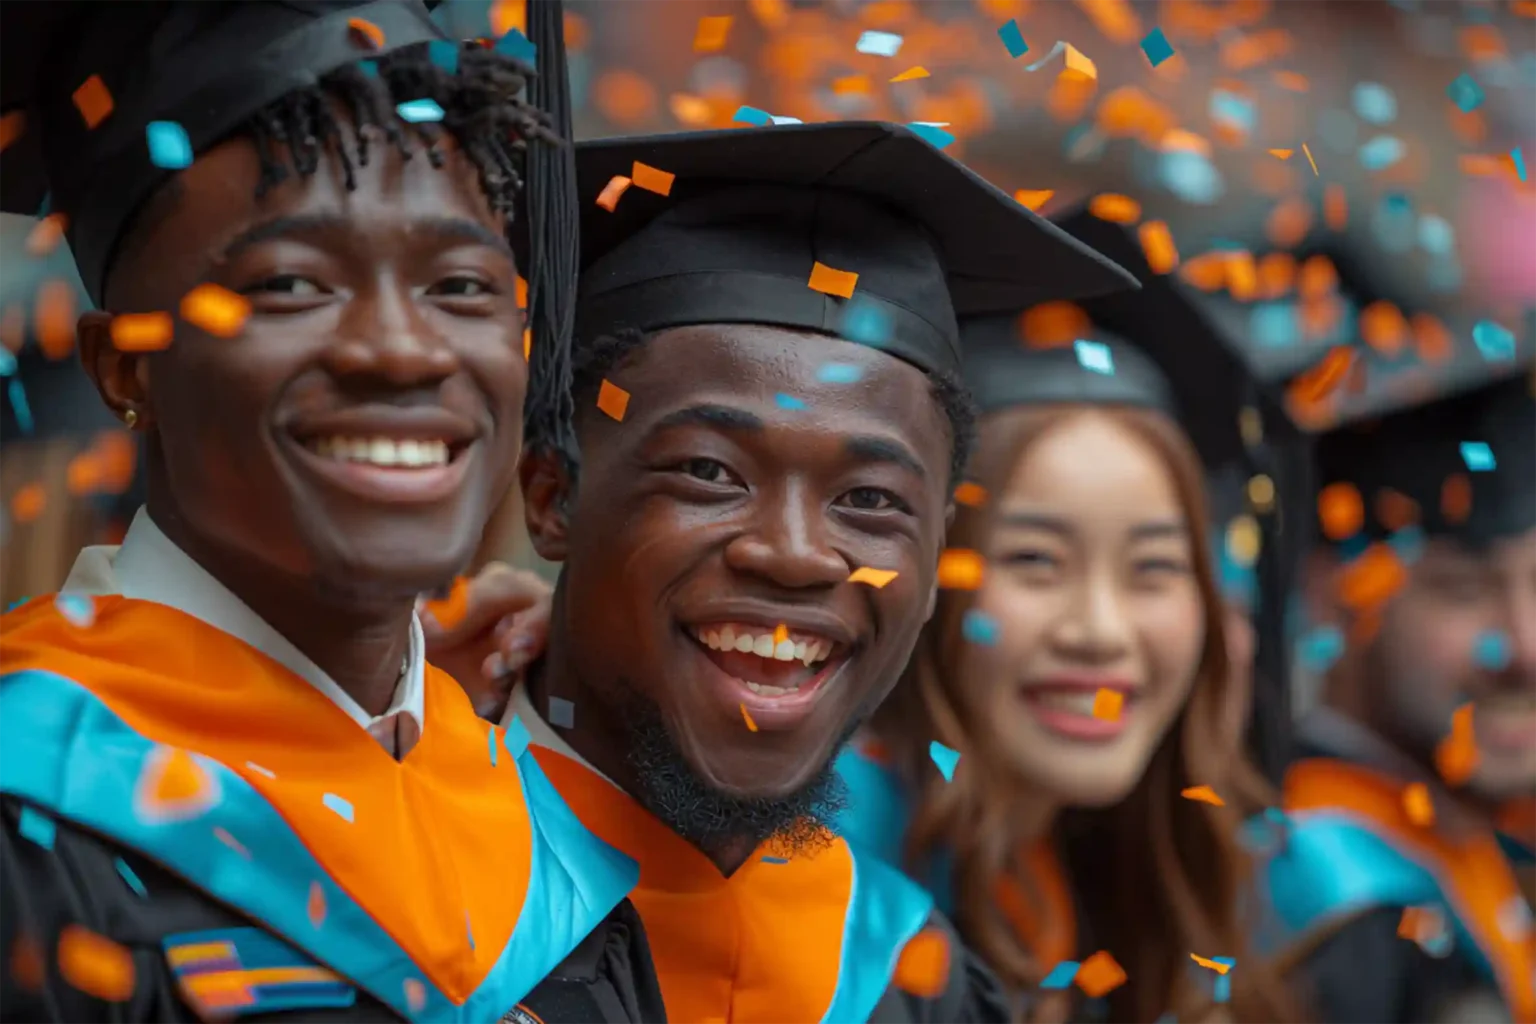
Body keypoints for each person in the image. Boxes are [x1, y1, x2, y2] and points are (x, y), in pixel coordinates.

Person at [0, 2, 664, 1021]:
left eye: (461, 285)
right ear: (125, 363)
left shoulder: (547, 854)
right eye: (293, 284)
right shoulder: (33, 814)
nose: (402, 351)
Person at [484, 120, 1137, 1023]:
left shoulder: (910, 979)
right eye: (709, 472)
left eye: (870, 500)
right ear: (553, 495)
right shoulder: (388, 894)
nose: (794, 553)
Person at [833, 209, 1302, 1024]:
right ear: (922, 576)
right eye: (1034, 561)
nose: (1100, 630)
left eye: (1154, 568)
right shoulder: (831, 878)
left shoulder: (1095, 872)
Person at [1258, 369, 1536, 1024]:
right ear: (1335, 595)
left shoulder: (1456, 844)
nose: (1526, 645)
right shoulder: (1330, 897)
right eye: (1463, 589)